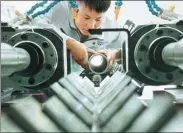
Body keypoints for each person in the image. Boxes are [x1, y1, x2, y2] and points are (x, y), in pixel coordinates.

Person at [3, 0, 122, 74]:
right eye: (86, 17)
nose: (91, 25)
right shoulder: (60, 7)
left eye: (98, 19)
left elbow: (128, 48)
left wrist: (114, 54)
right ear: (75, 7)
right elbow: (35, 20)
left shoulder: (112, 26)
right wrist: (69, 43)